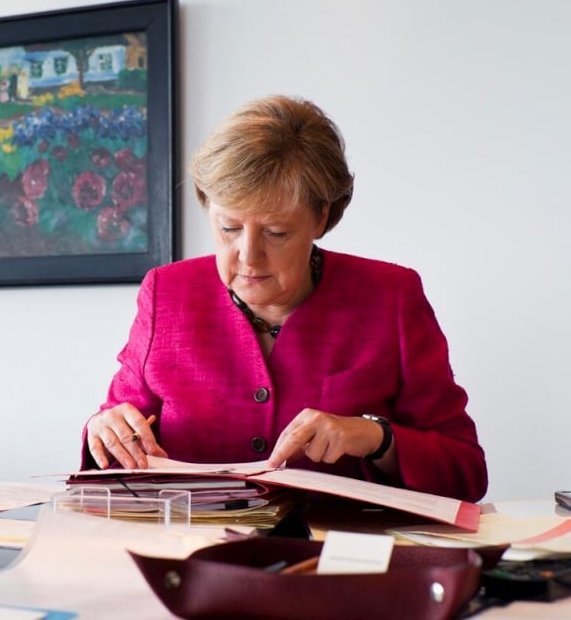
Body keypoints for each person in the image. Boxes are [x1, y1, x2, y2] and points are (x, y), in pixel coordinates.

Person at [81, 95, 487, 502]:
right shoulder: (166, 293)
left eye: (276, 233)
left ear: (321, 218)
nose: (248, 255)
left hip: (335, 557)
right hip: (186, 552)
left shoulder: (391, 297)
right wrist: (106, 430)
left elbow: (465, 472)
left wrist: (376, 437)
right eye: (229, 227)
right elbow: (117, 441)